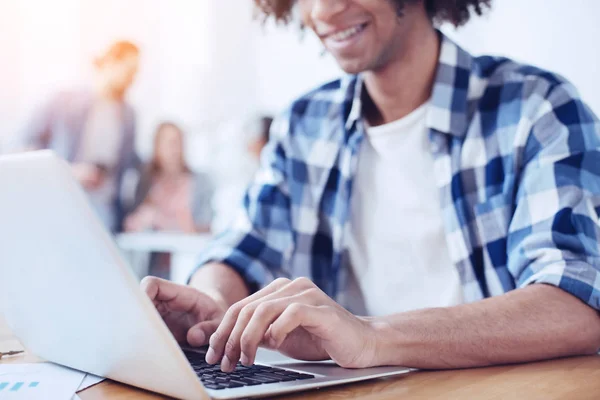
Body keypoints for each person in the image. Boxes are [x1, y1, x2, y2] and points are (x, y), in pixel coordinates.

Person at [142, 0, 600, 374]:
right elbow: (242, 247)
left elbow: (576, 305)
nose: (324, 10)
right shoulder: (306, 122)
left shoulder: (537, 108)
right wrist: (215, 304)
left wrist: (370, 334)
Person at [18, 40, 141, 232]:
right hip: (64, 199)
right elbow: (25, 148)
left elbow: (131, 162)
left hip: (104, 209)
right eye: (130, 70)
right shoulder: (63, 101)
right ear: (111, 62)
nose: (133, 78)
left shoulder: (128, 114)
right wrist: (70, 170)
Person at [125, 121, 214, 234]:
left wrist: (160, 220)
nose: (173, 148)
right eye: (168, 143)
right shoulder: (145, 182)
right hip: (152, 249)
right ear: (156, 146)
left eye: (177, 142)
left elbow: (205, 227)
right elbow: (131, 224)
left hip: (188, 250)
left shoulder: (201, 182)